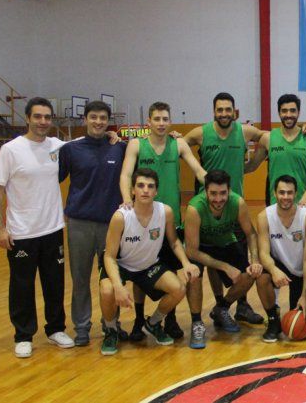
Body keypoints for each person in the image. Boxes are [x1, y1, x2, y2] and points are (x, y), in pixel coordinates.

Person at [0, 97, 75, 358]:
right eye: (37, 116)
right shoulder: (11, 150)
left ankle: (56, 329)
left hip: (52, 229)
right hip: (22, 232)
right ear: (27, 118)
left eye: (47, 117)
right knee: (22, 286)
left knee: (55, 284)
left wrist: (114, 139)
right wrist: (0, 229)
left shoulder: (58, 146)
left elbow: (86, 144)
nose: (43, 122)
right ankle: (23, 335)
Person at [119, 101, 206, 340]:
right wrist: (127, 199)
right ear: (149, 122)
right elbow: (126, 174)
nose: (160, 123)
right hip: (141, 221)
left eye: (164, 119)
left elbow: (198, 171)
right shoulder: (137, 144)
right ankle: (138, 320)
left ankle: (171, 319)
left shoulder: (177, 144)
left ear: (170, 121)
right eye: (156, 119)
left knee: (173, 272)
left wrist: (216, 186)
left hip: (170, 220)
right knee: (139, 272)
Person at [183, 92, 266, 327]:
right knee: (211, 253)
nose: (224, 114)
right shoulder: (201, 133)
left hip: (233, 205)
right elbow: (180, 144)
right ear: (214, 112)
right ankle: (221, 303)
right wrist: (195, 165)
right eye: (220, 110)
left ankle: (241, 306)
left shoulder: (244, 132)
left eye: (227, 109)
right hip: (208, 205)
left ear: (234, 111)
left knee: (241, 258)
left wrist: (254, 164)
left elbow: (268, 138)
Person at [98, 168, 200, 355]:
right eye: (141, 186)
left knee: (179, 289)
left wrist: (186, 263)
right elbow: (109, 256)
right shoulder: (120, 217)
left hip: (148, 265)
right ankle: (111, 330)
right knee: (107, 290)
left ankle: (153, 324)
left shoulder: (165, 212)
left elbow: (174, 241)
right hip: (120, 264)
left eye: (150, 186)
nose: (145, 190)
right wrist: (118, 286)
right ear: (132, 191)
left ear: (156, 191)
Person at [58, 100, 128, 346]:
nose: (98, 122)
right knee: (80, 279)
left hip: (112, 226)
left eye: (103, 118)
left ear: (109, 121)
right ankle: (81, 328)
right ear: (85, 119)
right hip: (79, 224)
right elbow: (52, 180)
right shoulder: (70, 150)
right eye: (93, 117)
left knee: (110, 279)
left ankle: (111, 325)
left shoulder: (119, 148)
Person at [183, 170, 266, 349]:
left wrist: (255, 259)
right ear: (205, 191)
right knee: (194, 275)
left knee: (251, 274)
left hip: (224, 241)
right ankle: (197, 323)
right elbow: (191, 251)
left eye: (223, 193)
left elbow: (250, 233)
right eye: (213, 193)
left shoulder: (238, 203)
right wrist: (225, 266)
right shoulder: (194, 209)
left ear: (229, 190)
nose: (218, 199)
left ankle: (221, 308)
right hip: (200, 248)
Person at [256, 175, 306, 342]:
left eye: (290, 193)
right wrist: (274, 270)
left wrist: (304, 295)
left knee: (301, 326)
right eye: (282, 192)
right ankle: (273, 320)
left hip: (302, 268)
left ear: (296, 194)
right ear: (275, 193)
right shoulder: (264, 217)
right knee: (262, 278)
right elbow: (263, 252)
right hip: (280, 264)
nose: (286, 197)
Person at [246, 94, 306, 209]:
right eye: (284, 111)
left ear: (298, 112)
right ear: (279, 113)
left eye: (292, 111)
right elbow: (251, 166)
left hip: (303, 204)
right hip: (276, 206)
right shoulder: (268, 138)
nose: (288, 115)